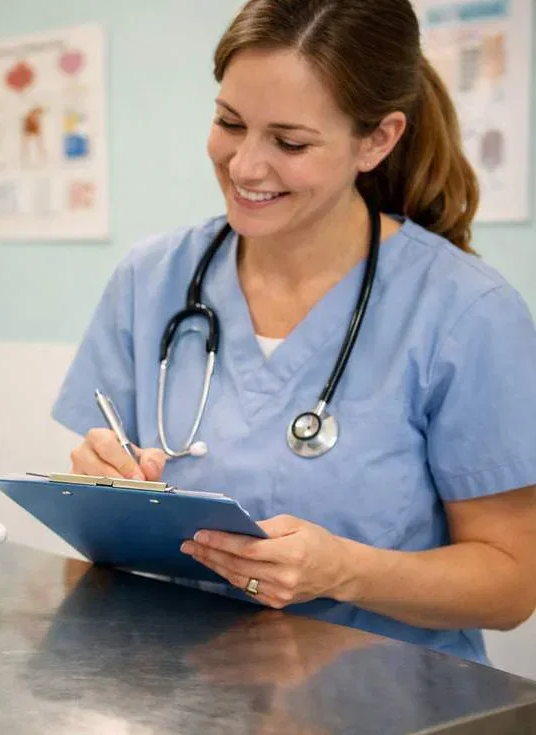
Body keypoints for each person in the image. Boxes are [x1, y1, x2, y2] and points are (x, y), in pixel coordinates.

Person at [51, 0, 536, 665]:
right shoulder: (151, 280)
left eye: (290, 141)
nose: (245, 166)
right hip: (183, 691)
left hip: (394, 706)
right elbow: (110, 513)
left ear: (378, 139)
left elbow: (511, 584)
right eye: (229, 123)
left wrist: (345, 570)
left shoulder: (466, 313)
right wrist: (99, 483)